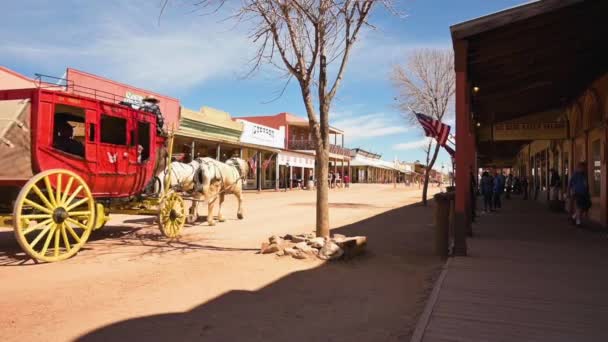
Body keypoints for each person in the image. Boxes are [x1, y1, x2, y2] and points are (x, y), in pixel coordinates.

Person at [568, 162, 591, 227]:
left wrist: (587, 192)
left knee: (585, 206)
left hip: (584, 194)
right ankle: (578, 221)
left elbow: (586, 184)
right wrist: (568, 192)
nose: (583, 169)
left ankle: (574, 216)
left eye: (584, 168)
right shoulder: (575, 175)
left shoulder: (584, 175)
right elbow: (570, 184)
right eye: (582, 167)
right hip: (577, 193)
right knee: (579, 207)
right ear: (579, 168)